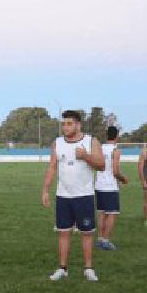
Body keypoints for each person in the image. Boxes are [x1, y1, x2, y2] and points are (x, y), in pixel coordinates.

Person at [42, 110, 105, 282]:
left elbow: (101, 165)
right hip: (63, 196)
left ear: (78, 125)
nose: (65, 127)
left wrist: (86, 156)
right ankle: (62, 268)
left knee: (86, 233)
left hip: (84, 196)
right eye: (63, 124)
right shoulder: (57, 143)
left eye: (69, 123)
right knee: (63, 232)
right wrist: (46, 190)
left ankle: (88, 268)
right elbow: (52, 167)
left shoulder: (91, 141)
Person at [95, 125, 128, 250]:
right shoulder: (115, 151)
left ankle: (100, 239)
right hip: (110, 187)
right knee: (112, 214)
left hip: (99, 185)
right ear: (117, 136)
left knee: (102, 213)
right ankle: (106, 240)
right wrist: (123, 179)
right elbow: (115, 171)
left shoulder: (100, 149)